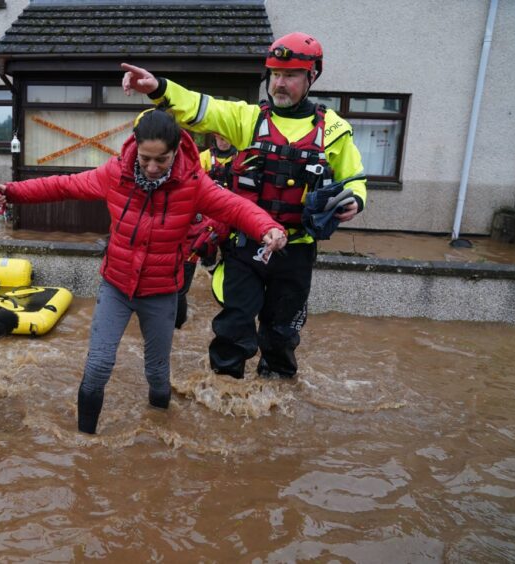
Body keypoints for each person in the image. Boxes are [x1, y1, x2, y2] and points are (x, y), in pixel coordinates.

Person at [0, 108, 286, 435]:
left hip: (162, 292)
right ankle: (85, 445)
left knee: (158, 373)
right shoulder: (115, 174)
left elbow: (235, 207)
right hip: (116, 287)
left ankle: (159, 431)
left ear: (176, 151)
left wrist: (268, 228)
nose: (151, 168)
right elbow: (64, 186)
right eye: (145, 158)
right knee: (97, 367)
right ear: (135, 148)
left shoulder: (193, 184)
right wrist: (13, 192)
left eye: (161, 160)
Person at [122, 31, 368, 379]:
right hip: (245, 247)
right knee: (234, 325)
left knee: (281, 333)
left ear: (312, 76)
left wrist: (355, 199)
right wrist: (160, 88)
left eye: (291, 76)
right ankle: (225, 394)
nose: (279, 84)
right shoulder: (247, 119)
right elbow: (199, 107)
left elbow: (354, 178)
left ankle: (276, 394)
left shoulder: (335, 130)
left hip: (295, 251)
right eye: (275, 75)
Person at [175, 133, 237, 329]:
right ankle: (207, 269)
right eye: (219, 136)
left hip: (233, 215)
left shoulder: (240, 158)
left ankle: (225, 293)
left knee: (231, 257)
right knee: (203, 253)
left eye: (226, 137)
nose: (223, 140)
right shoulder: (203, 158)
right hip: (207, 218)